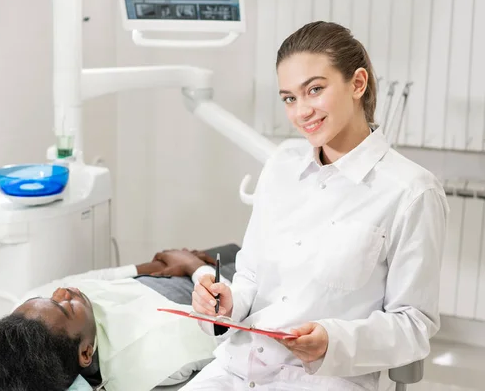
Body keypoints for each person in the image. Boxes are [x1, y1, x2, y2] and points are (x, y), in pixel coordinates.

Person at [185, 21, 449, 391]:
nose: (301, 111)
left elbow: (414, 325)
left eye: (315, 90)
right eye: (290, 98)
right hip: (236, 367)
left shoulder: (411, 191)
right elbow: (251, 277)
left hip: (324, 379)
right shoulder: (281, 165)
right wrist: (227, 303)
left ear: (357, 84)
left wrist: (333, 341)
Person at [0, 244, 240, 391]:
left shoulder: (29, 316)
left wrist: (158, 266)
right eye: (66, 306)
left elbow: (81, 280)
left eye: (50, 297)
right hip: (219, 288)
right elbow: (236, 321)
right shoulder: (158, 351)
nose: (63, 292)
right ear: (85, 353)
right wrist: (196, 269)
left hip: (166, 274)